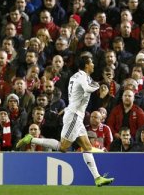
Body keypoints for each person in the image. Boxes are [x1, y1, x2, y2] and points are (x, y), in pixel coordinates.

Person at [16, 56, 114, 187]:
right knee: (63, 147)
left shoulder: (75, 77)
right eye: (91, 62)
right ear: (86, 65)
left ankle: (97, 178)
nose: (93, 64)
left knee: (87, 147)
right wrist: (99, 85)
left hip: (75, 114)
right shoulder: (82, 77)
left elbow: (77, 95)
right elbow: (88, 88)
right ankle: (31, 139)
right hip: (74, 115)